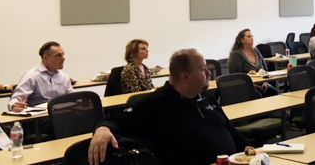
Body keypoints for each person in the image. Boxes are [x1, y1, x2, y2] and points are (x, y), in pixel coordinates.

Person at [88, 49, 246, 165]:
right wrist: (102, 128)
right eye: (203, 69)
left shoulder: (206, 97)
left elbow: (233, 134)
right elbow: (117, 121)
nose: (209, 73)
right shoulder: (155, 103)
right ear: (185, 77)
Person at [8, 41, 73, 112]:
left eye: (63, 54)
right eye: (58, 55)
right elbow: (16, 99)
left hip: (61, 115)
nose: (63, 58)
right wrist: (14, 105)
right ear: (45, 58)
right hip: (39, 119)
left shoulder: (64, 77)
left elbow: (72, 99)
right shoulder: (32, 76)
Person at [228, 29, 278, 97]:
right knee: (258, 95)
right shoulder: (236, 54)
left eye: (252, 36)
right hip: (245, 86)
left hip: (261, 83)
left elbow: (265, 69)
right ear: (242, 40)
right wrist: (254, 85)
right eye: (249, 36)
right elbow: (236, 76)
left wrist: (265, 82)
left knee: (274, 92)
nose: (252, 38)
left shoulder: (255, 50)